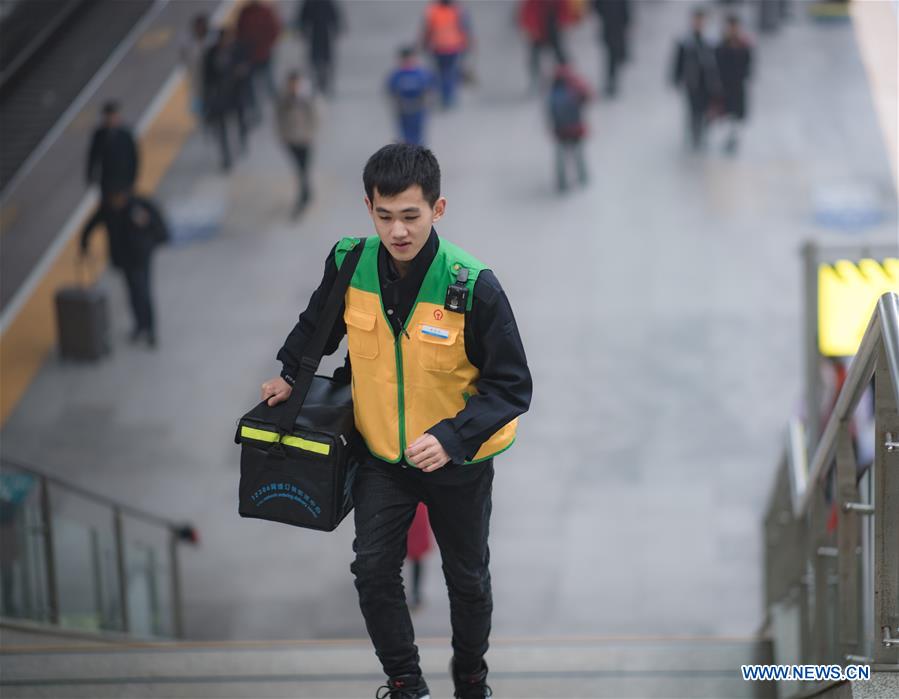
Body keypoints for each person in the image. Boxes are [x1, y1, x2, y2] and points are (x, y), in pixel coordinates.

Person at [261, 144, 532, 699]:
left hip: (458, 466)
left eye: (411, 215)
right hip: (383, 455)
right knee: (372, 570)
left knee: (468, 580)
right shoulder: (350, 263)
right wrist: (290, 373)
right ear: (369, 207)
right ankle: (406, 683)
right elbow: (318, 327)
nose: (397, 231)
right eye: (384, 216)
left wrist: (451, 438)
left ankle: (471, 678)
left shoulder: (473, 285)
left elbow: (512, 386)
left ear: (438, 208)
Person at [79, 189, 169, 348]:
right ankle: (140, 326)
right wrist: (84, 243)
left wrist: (152, 239)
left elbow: (158, 226)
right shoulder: (108, 209)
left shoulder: (138, 207)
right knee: (133, 292)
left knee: (143, 292)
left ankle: (149, 329)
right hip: (124, 259)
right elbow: (91, 225)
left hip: (140, 258)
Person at [670, 8, 720, 151]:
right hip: (692, 82)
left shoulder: (711, 42)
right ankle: (694, 136)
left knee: (706, 110)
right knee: (693, 111)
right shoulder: (685, 41)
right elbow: (678, 62)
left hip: (708, 83)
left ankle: (703, 135)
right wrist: (676, 78)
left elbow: (719, 63)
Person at [203, 27, 251, 171]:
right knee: (222, 128)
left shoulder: (239, 50)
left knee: (241, 121)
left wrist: (241, 73)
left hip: (237, 94)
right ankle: (226, 157)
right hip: (220, 96)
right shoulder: (212, 53)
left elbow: (247, 69)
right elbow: (207, 76)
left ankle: (243, 141)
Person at [276, 70, 319, 218]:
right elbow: (278, 118)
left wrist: (311, 134)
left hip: (305, 139)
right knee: (299, 167)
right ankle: (305, 190)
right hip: (291, 139)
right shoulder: (284, 99)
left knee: (303, 167)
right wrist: (283, 135)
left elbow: (316, 115)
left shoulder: (306, 98)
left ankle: (304, 193)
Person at [548, 63, 592, 192]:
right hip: (573, 130)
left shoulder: (555, 94)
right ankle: (580, 177)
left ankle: (564, 181)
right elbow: (586, 98)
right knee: (576, 156)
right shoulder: (572, 91)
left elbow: (552, 113)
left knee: (564, 158)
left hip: (563, 131)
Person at [236, 0, 282, 117]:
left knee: (269, 81)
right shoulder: (245, 12)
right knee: (252, 85)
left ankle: (277, 107)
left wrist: (267, 45)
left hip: (264, 54)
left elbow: (275, 30)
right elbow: (239, 33)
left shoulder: (266, 12)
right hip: (249, 55)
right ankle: (256, 111)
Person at [421, 0, 471, 109]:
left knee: (441, 72)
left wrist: (424, 43)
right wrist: (467, 43)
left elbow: (427, 29)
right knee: (450, 72)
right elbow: (465, 28)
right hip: (453, 46)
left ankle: (443, 95)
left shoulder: (432, 10)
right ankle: (448, 96)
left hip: (438, 46)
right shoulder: (457, 10)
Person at [715, 14, 753, 154]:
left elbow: (748, 66)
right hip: (724, 87)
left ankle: (733, 142)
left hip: (738, 87)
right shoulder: (721, 46)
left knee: (736, 118)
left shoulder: (743, 46)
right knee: (724, 117)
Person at [85, 101, 139, 197]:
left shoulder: (126, 134)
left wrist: (132, 179)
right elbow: (93, 156)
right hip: (107, 179)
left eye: (113, 116)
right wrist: (90, 175)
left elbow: (133, 157)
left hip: (124, 179)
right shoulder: (99, 134)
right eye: (108, 116)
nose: (110, 119)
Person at [386, 46, 437, 147]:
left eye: (410, 59)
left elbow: (431, 87)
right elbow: (391, 90)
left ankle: (418, 151)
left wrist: (430, 100)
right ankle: (407, 150)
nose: (408, 62)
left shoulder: (422, 73)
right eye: (405, 59)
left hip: (419, 106)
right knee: (405, 132)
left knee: (418, 132)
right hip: (403, 108)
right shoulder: (397, 74)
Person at [518, 0, 571, 92]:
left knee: (561, 58)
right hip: (538, 31)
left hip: (553, 30)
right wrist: (532, 28)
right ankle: (536, 82)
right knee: (534, 59)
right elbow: (528, 13)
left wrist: (562, 24)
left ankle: (566, 80)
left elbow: (564, 12)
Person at [294, 0, 343, 96]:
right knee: (317, 62)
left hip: (323, 35)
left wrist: (336, 28)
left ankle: (323, 84)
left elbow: (334, 16)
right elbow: (303, 17)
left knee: (324, 63)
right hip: (315, 35)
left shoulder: (323, 2)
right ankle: (318, 84)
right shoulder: (311, 3)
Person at [592, 0, 630, 97]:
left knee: (612, 56)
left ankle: (611, 80)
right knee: (612, 56)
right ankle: (611, 81)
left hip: (614, 26)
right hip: (612, 26)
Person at [181, 13, 213, 118]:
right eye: (198, 27)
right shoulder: (188, 44)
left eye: (202, 27)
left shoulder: (212, 41)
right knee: (199, 110)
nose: (200, 29)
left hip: (213, 81)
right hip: (197, 82)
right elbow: (184, 60)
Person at [406, 503, 433, 611]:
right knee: (416, 555)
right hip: (415, 506)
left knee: (416, 554)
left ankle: (416, 592)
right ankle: (415, 593)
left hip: (417, 507)